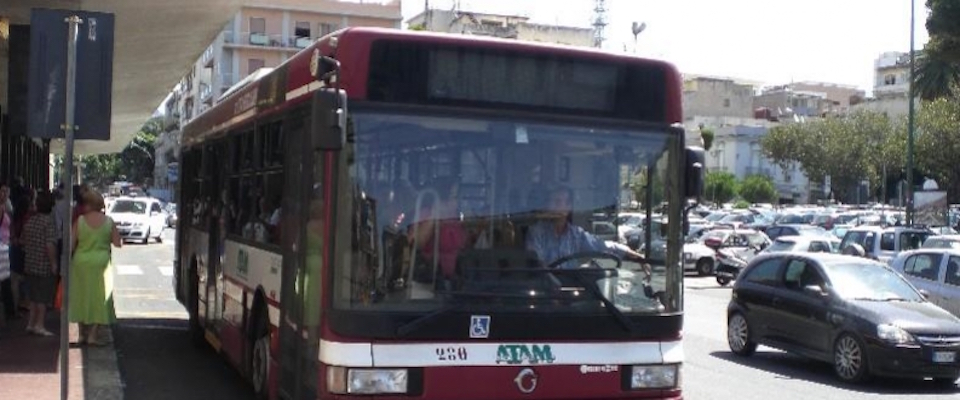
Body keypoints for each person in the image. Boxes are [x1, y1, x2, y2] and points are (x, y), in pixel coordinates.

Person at [526, 186, 649, 270]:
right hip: (545, 293)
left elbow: (602, 245)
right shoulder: (537, 232)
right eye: (551, 202)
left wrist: (634, 255)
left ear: (569, 207)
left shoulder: (576, 234)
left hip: (571, 291)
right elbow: (537, 264)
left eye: (558, 202)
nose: (553, 206)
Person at [69, 188, 121, 345]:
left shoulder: (80, 221)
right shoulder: (108, 222)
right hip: (101, 263)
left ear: (89, 204)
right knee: (100, 297)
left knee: (80, 295)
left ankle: (81, 334)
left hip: (81, 262)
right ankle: (93, 334)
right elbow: (118, 243)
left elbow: (71, 244)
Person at [409, 178, 467, 280]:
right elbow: (415, 243)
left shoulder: (456, 219)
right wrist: (434, 217)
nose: (457, 202)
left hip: (456, 280)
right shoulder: (426, 214)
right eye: (454, 197)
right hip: (431, 280)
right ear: (442, 199)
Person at [21, 191, 58, 336]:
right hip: (43, 265)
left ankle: (31, 323)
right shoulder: (48, 222)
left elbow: (23, 241)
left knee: (33, 297)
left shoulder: (31, 221)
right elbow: (50, 244)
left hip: (30, 263)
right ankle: (40, 325)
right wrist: (54, 263)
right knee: (42, 298)